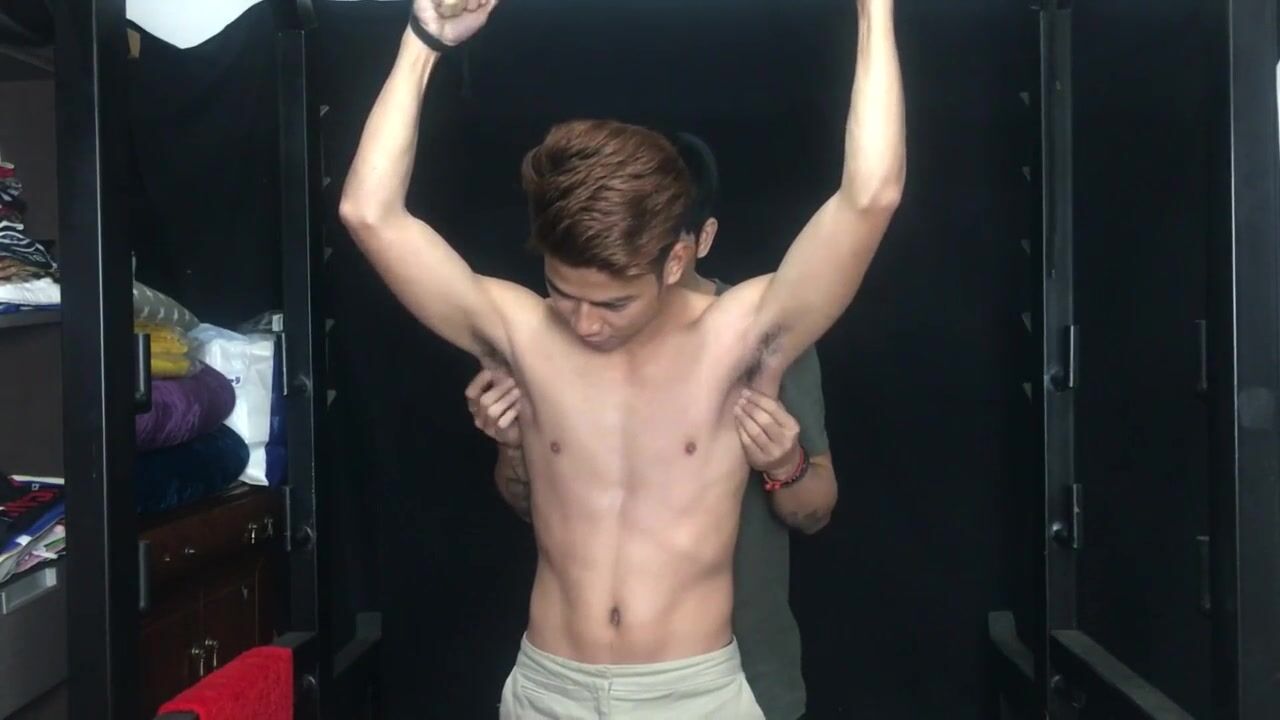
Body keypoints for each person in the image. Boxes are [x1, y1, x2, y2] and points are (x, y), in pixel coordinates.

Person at [339, 0, 904, 715]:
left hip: (691, 694)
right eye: (563, 293)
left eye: (612, 304)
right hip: (549, 688)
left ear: (676, 262)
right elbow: (370, 213)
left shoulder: (739, 336)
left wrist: (874, 11)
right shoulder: (522, 331)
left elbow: (870, 197)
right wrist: (424, 40)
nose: (584, 323)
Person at [464, 131, 837, 720]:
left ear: (694, 244)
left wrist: (782, 464)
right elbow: (533, 507)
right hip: (574, 678)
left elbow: (815, 510)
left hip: (740, 668)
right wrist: (514, 447)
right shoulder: (569, 331)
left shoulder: (765, 333)